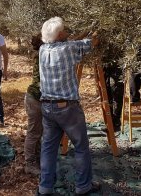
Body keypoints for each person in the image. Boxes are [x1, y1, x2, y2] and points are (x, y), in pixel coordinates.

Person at [37, 17, 101, 196]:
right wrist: (99, 25)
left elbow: (69, 41)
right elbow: (92, 42)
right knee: (81, 147)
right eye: (63, 31)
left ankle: (45, 187)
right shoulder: (69, 49)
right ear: (58, 35)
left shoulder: (42, 50)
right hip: (68, 109)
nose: (66, 33)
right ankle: (83, 186)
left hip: (47, 107)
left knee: (49, 148)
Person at [24, 34, 43, 175]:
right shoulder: (43, 54)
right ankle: (29, 163)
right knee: (34, 132)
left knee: (38, 132)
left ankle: (36, 159)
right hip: (35, 99)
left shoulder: (40, 53)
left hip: (35, 98)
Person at [101, 45, 124, 132]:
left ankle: (116, 122)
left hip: (117, 63)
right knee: (107, 93)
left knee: (117, 92)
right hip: (105, 62)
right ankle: (110, 122)